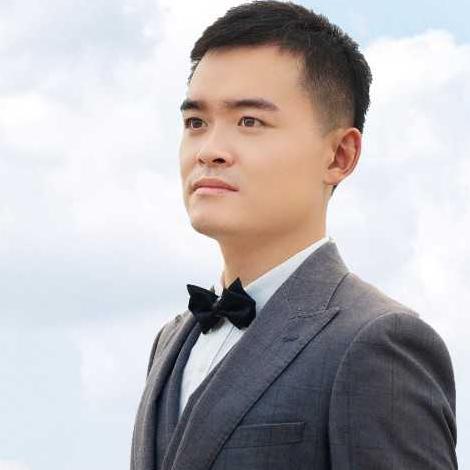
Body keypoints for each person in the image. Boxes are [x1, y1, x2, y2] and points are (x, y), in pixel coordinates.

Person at [130, 1, 457, 469]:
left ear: (339, 155)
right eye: (195, 123)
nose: (210, 150)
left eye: (250, 121)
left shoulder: (377, 342)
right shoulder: (171, 341)